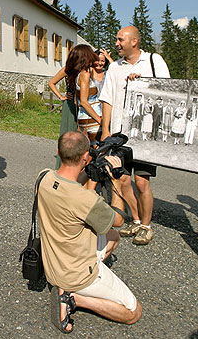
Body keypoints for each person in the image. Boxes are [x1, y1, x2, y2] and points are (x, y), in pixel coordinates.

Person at [37, 131, 142, 333]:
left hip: (53, 266)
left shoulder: (44, 178)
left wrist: (90, 171)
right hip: (76, 274)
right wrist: (115, 179)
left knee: (112, 238)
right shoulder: (86, 200)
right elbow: (118, 220)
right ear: (85, 157)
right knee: (133, 312)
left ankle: (65, 288)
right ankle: (73, 298)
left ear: (58, 152)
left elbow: (69, 185)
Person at [99, 26, 170, 246]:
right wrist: (106, 129)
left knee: (141, 182)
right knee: (121, 179)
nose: (117, 44)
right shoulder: (114, 68)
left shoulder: (153, 62)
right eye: (117, 39)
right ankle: (136, 219)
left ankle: (146, 226)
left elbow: (168, 91)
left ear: (134, 41)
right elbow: (107, 99)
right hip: (121, 134)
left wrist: (144, 84)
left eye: (121, 40)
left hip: (145, 134)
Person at [70, 45, 102, 142]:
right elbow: (84, 102)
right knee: (97, 150)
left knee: (89, 150)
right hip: (91, 118)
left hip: (85, 117)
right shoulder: (85, 74)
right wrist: (99, 120)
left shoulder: (79, 74)